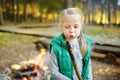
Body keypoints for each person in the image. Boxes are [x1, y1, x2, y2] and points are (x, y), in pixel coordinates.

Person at [49, 7, 94, 80]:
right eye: (67, 27)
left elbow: (88, 69)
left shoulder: (84, 44)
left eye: (76, 27)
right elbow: (53, 72)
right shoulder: (56, 46)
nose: (72, 30)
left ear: (81, 26)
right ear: (61, 26)